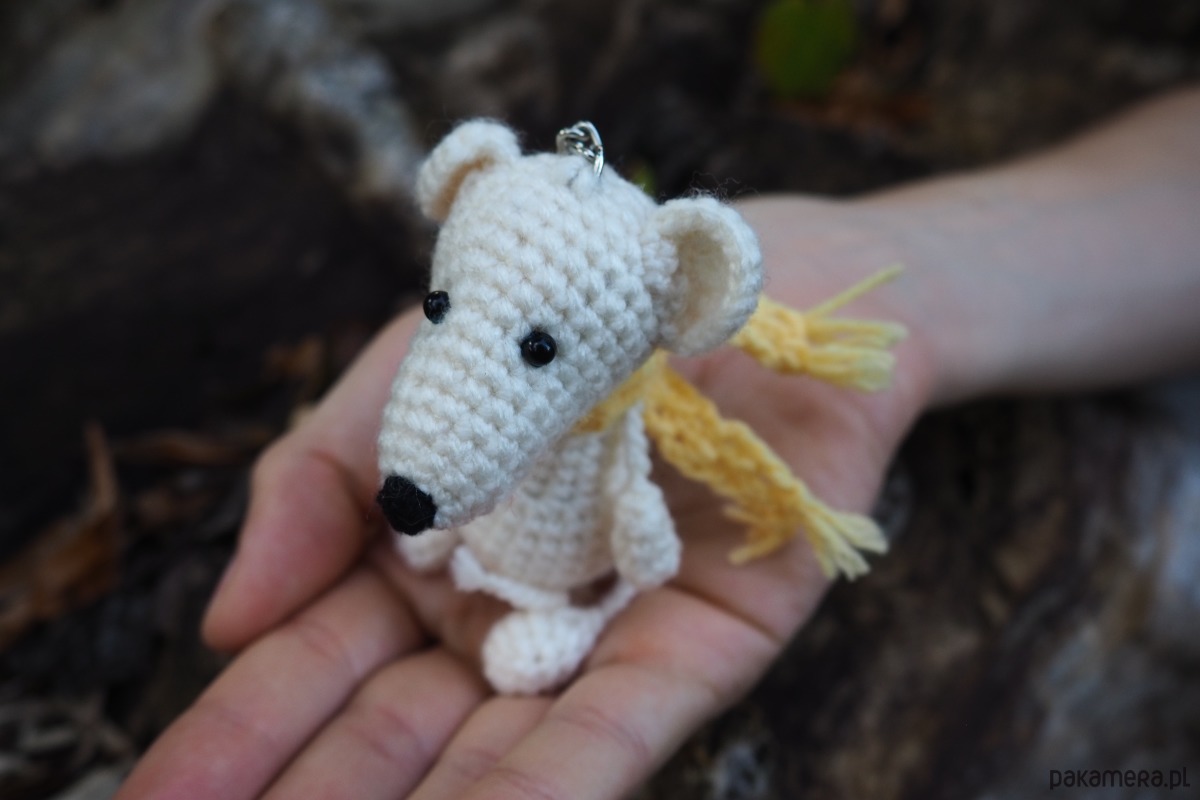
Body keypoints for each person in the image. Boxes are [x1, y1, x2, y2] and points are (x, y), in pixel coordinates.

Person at [116, 87, 1200, 800]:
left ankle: (567, 614)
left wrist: (637, 556)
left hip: (562, 570)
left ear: (686, 296)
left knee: (560, 574)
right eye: (438, 307)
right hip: (480, 535)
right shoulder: (489, 280)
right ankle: (467, 545)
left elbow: (636, 514)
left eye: (543, 349)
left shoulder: (632, 396)